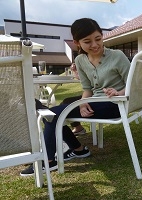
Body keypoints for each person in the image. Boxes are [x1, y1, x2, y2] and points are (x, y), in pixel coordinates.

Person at [20, 18, 131, 176]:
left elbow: (134, 85)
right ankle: (77, 150)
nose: (94, 45)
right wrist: (81, 103)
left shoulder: (117, 56)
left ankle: (49, 160)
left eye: (98, 39)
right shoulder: (80, 60)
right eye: (87, 41)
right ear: (77, 42)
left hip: (115, 104)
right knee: (52, 115)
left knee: (53, 114)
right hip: (94, 102)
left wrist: (119, 93)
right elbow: (87, 89)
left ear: (102, 36)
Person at [61, 63, 86, 136]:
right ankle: (77, 128)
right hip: (92, 94)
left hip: (97, 96)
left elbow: (88, 80)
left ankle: (77, 128)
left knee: (67, 103)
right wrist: (75, 71)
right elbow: (86, 80)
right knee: (67, 102)